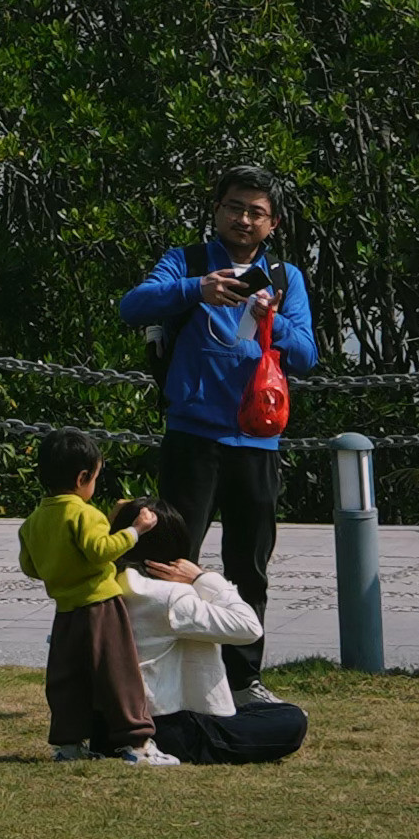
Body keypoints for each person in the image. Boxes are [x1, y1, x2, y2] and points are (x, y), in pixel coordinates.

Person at [113, 166, 320, 710]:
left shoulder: (285, 277)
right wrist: (196, 289)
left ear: (273, 224)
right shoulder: (186, 262)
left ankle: (244, 681)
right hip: (191, 437)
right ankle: (159, 675)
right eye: (234, 207)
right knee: (168, 557)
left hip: (257, 442)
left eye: (256, 212)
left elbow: (306, 356)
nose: (243, 219)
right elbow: (132, 306)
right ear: (216, 210)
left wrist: (271, 317)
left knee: (249, 565)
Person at [18, 432, 172, 765]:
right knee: (119, 673)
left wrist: (61, 568)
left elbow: (30, 567)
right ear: (82, 478)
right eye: (96, 478)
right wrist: (135, 530)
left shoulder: (34, 521)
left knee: (67, 679)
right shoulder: (85, 514)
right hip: (101, 606)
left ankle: (69, 745)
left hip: (65, 612)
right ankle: (138, 744)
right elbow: (101, 550)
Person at [124, 519, 311, 763]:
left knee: (264, 711)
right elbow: (249, 627)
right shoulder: (169, 598)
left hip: (125, 718)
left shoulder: (116, 583)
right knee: (292, 719)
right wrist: (202, 578)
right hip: (170, 728)